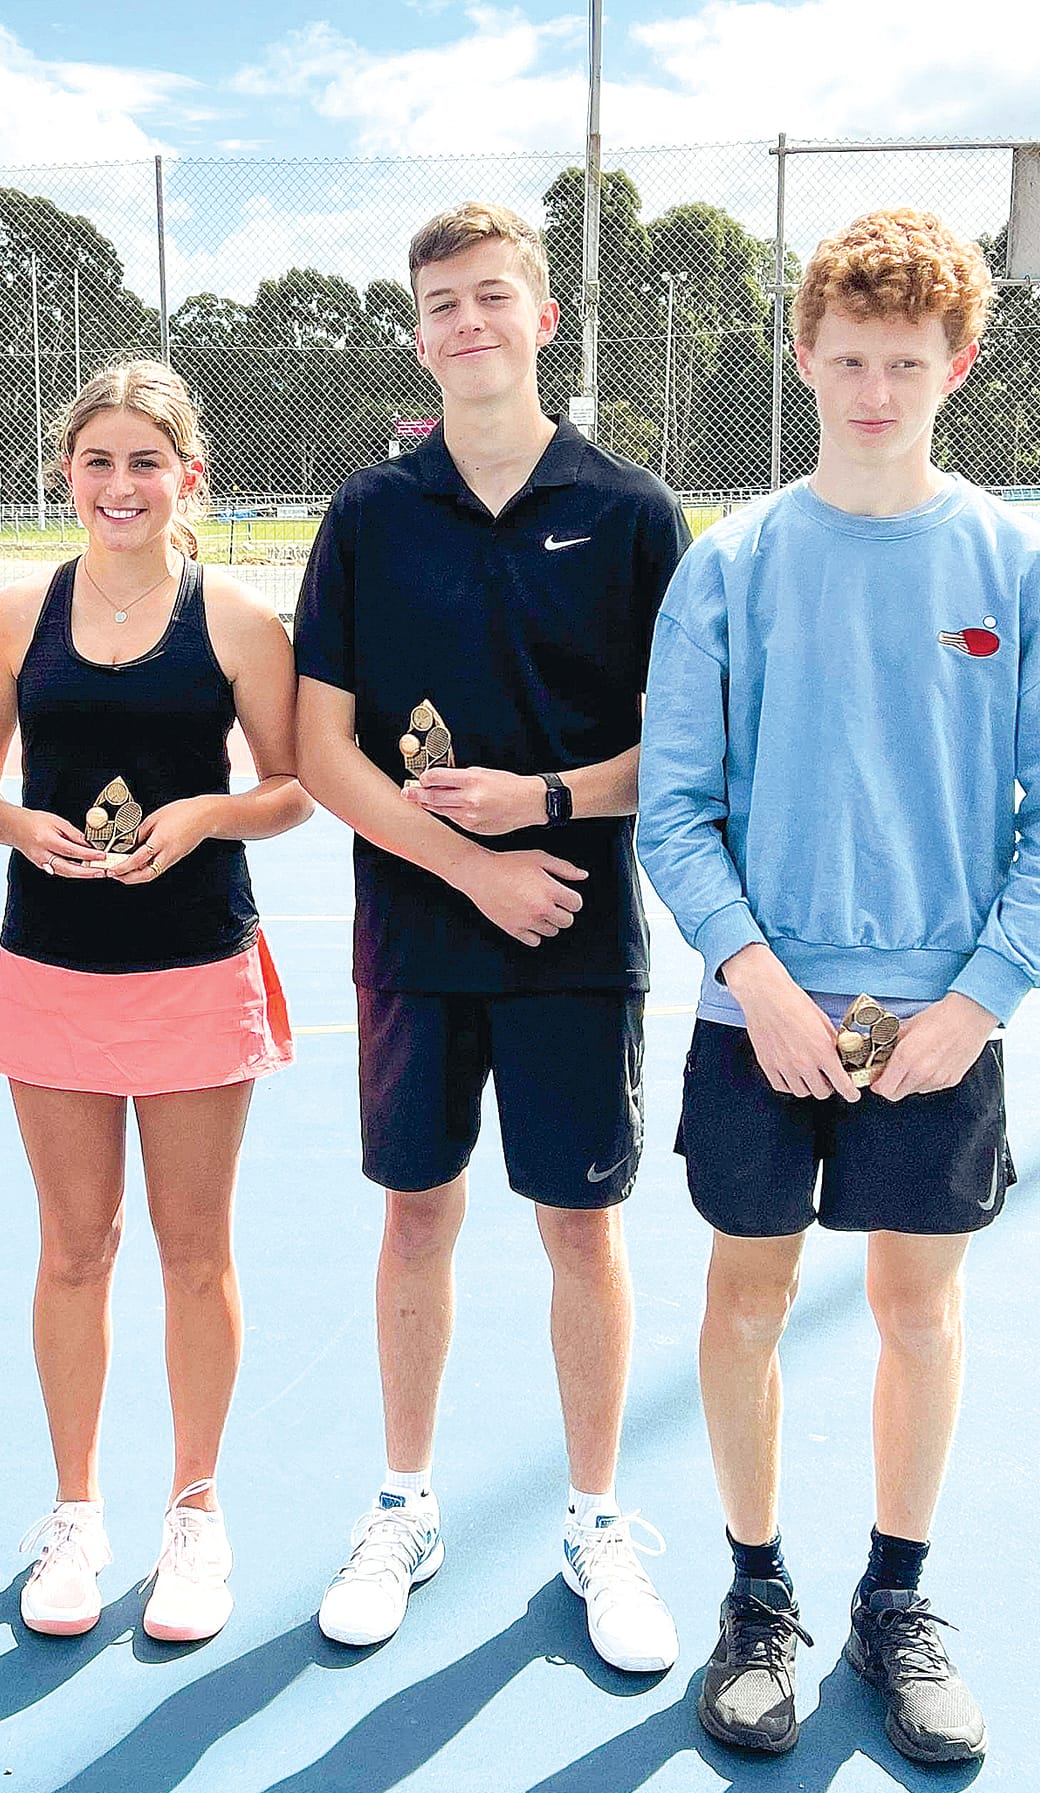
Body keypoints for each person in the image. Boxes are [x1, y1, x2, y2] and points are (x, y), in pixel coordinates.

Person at [638, 208, 1040, 1763]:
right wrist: (752, 975)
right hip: (756, 1017)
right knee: (747, 1297)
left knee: (918, 1303)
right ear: (806, 355)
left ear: (957, 364)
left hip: (940, 1024)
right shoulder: (734, 565)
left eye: (907, 363)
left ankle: (895, 1599)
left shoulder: (1019, 568)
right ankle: (757, 1594)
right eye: (849, 360)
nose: (876, 393)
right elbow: (678, 811)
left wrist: (975, 1003)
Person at [293, 203, 688, 1670]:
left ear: (544, 320)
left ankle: (595, 1517)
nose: (467, 323)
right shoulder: (368, 514)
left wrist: (546, 802)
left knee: (579, 1222)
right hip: (420, 925)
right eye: (441, 304)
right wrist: (471, 863)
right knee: (416, 1211)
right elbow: (324, 752)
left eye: (492, 298)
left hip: (577, 930)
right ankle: (405, 1502)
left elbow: (682, 747)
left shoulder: (634, 513)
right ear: (418, 334)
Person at [0, 360, 308, 1642]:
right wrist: (18, 823)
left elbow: (290, 786)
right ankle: (76, 1514)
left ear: (186, 474)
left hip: (196, 962)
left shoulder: (238, 621)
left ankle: (194, 1515)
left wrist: (207, 811)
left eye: (144, 461)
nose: (119, 483)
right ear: (67, 472)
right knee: (74, 1249)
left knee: (193, 1249)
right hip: (51, 965)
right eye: (96, 460)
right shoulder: (12, 615)